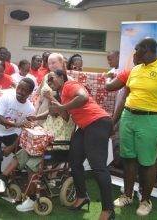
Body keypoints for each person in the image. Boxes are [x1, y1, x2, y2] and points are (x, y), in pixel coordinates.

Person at [112, 37, 157, 217]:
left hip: (151, 120)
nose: (134, 53)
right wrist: (115, 120)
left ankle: (145, 200)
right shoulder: (135, 69)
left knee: (147, 162)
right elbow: (125, 96)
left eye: (137, 49)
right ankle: (127, 195)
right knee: (128, 158)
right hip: (129, 117)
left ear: (148, 49)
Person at [0, 87, 75, 212]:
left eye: (52, 106)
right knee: (23, 152)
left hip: (56, 152)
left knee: (32, 163)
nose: (50, 108)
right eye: (50, 106)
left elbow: (61, 111)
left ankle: (31, 199)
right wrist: (34, 120)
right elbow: (46, 117)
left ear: (60, 106)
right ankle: (2, 179)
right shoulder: (51, 116)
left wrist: (51, 98)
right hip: (43, 149)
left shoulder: (67, 118)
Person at [48, 69, 115, 220]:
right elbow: (66, 117)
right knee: (74, 161)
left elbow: (83, 98)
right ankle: (82, 196)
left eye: (52, 78)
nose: (50, 82)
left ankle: (108, 210)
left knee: (98, 167)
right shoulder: (61, 95)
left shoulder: (70, 84)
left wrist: (60, 107)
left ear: (61, 76)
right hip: (85, 127)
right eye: (48, 81)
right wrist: (56, 105)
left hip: (98, 122)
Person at [0, 78, 36, 183]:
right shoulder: (7, 97)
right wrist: (17, 124)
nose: (20, 92)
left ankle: (14, 175)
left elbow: (24, 131)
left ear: (30, 93)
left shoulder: (30, 109)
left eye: (24, 90)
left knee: (24, 152)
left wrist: (11, 148)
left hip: (11, 133)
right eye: (19, 88)